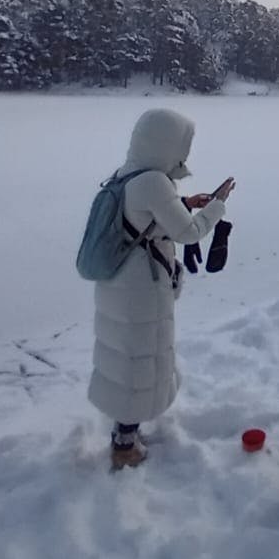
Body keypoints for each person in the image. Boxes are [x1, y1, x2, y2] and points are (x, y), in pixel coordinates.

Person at [87, 107, 235, 470]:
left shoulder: (129, 175)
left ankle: (126, 432)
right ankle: (124, 446)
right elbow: (188, 233)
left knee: (124, 357)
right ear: (166, 144)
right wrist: (216, 207)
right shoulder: (154, 182)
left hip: (119, 282)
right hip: (140, 289)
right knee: (139, 362)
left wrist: (185, 203)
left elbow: (145, 215)